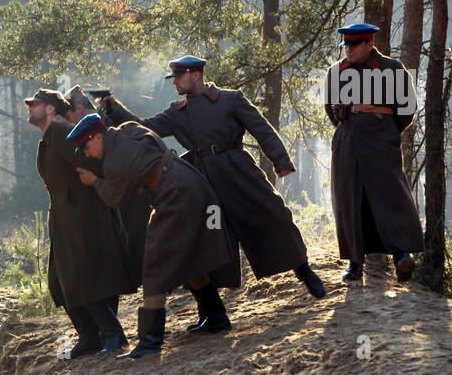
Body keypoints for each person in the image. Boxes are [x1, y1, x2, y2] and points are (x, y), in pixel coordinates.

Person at [136, 55, 326, 311]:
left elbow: (262, 129)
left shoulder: (230, 99)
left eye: (179, 76)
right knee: (206, 237)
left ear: (196, 74)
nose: (175, 82)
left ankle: (304, 271)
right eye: (174, 78)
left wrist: (280, 160)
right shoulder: (177, 112)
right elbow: (145, 129)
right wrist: (111, 111)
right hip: (204, 180)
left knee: (275, 215)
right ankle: (211, 312)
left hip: (238, 170)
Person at [68, 112, 234, 359]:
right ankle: (217, 317)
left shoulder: (113, 163)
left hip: (173, 197)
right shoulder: (129, 129)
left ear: (97, 137)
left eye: (86, 147)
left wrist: (94, 181)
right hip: (191, 183)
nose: (87, 154)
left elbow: (114, 199)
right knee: (194, 257)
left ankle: (150, 341)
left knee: (154, 265)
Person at [27, 87, 130, 356]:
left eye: (35, 104)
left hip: (84, 217)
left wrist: (87, 187)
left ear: (50, 108)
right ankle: (90, 335)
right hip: (67, 218)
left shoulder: (61, 132)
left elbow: (93, 160)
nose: (30, 108)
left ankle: (111, 334)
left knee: (82, 277)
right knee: (62, 280)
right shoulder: (50, 137)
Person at [323, 23, 424, 282]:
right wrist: (350, 127)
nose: (348, 49)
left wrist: (386, 131)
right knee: (350, 200)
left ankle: (401, 255)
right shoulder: (336, 72)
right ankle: (355, 262)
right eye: (346, 45)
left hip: (381, 141)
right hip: (347, 143)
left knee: (390, 196)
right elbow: (329, 109)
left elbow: (407, 108)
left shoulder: (391, 69)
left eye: (354, 45)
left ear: (370, 43)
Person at [63, 85, 151, 300]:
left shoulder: (98, 130)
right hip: (130, 196)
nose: (68, 121)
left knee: (149, 255)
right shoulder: (98, 127)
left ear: (81, 110)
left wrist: (94, 181)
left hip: (135, 198)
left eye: (70, 114)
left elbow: (112, 181)